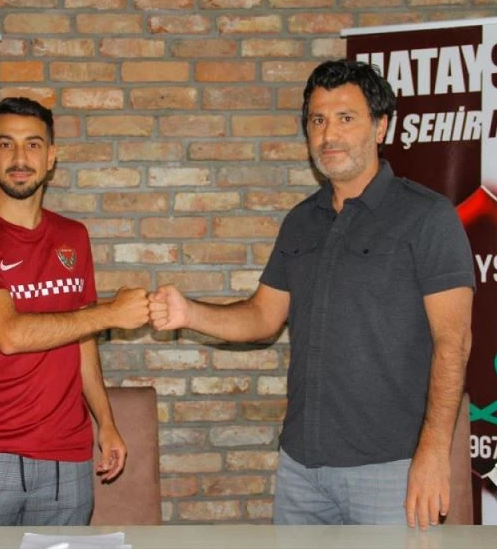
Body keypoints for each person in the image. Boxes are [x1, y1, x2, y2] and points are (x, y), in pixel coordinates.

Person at [149, 60, 475, 529]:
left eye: (346, 118)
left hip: (392, 471)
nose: (328, 134)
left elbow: (453, 341)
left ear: (381, 126)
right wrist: (189, 313)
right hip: (301, 471)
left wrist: (434, 452)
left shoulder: (427, 217)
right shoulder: (301, 221)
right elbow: (263, 316)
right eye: (317, 120)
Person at [0, 97, 150, 526]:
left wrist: (106, 422)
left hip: (65, 459)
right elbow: (9, 334)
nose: (20, 158)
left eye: (33, 145)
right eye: (6, 145)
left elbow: (81, 340)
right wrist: (111, 313)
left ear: (51, 157)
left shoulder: (73, 236)